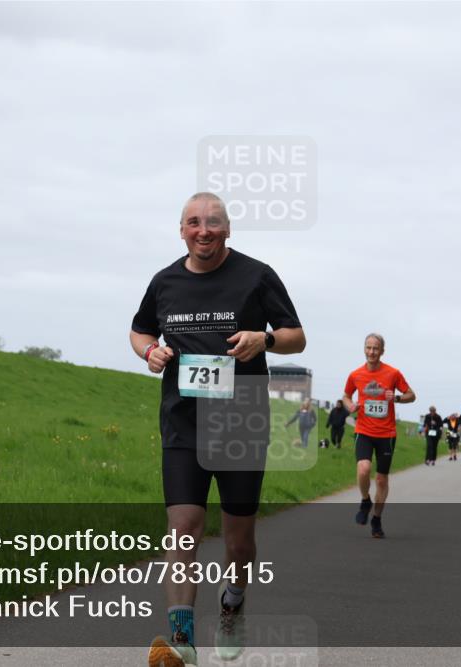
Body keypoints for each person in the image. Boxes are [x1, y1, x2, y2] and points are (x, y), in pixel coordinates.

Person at [131, 192, 306, 666]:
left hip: (240, 423)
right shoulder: (164, 282)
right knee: (183, 529)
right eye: (193, 222)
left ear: (227, 230)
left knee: (238, 541)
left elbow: (296, 337)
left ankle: (232, 605)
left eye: (212, 222)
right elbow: (140, 330)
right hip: (183, 424)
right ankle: (182, 641)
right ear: (181, 230)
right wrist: (150, 352)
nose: (203, 230)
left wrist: (263, 338)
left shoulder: (257, 275)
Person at [342, 333, 415, 538]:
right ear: (364, 349)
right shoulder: (355, 375)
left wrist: (397, 398)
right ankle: (365, 500)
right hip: (364, 430)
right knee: (363, 468)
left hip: (386, 434)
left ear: (382, 351)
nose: (371, 352)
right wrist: (350, 406)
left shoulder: (393, 373)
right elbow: (346, 396)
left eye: (375, 348)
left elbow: (412, 395)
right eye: (368, 347)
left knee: (381, 480)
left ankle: (376, 519)